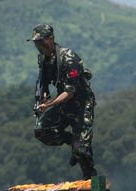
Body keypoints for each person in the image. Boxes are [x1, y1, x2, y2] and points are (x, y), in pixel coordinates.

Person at [28, 24, 97, 179]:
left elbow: (69, 92)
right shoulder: (43, 59)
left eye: (41, 42)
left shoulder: (69, 58)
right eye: (36, 43)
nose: (39, 46)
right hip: (63, 104)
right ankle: (73, 140)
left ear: (51, 39)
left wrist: (49, 105)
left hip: (81, 105)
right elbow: (44, 82)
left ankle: (90, 179)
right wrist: (41, 100)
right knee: (41, 131)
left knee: (81, 151)